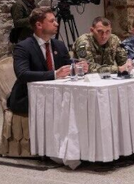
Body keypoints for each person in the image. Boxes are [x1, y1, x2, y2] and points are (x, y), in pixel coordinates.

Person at [5, 8, 84, 156]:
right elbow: (22, 74)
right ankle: (54, 149)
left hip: (56, 94)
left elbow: (67, 64)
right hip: (27, 96)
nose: (56, 24)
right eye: (52, 21)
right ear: (39, 25)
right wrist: (54, 74)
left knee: (80, 101)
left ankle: (77, 146)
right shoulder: (23, 47)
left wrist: (78, 65)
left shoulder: (59, 45)